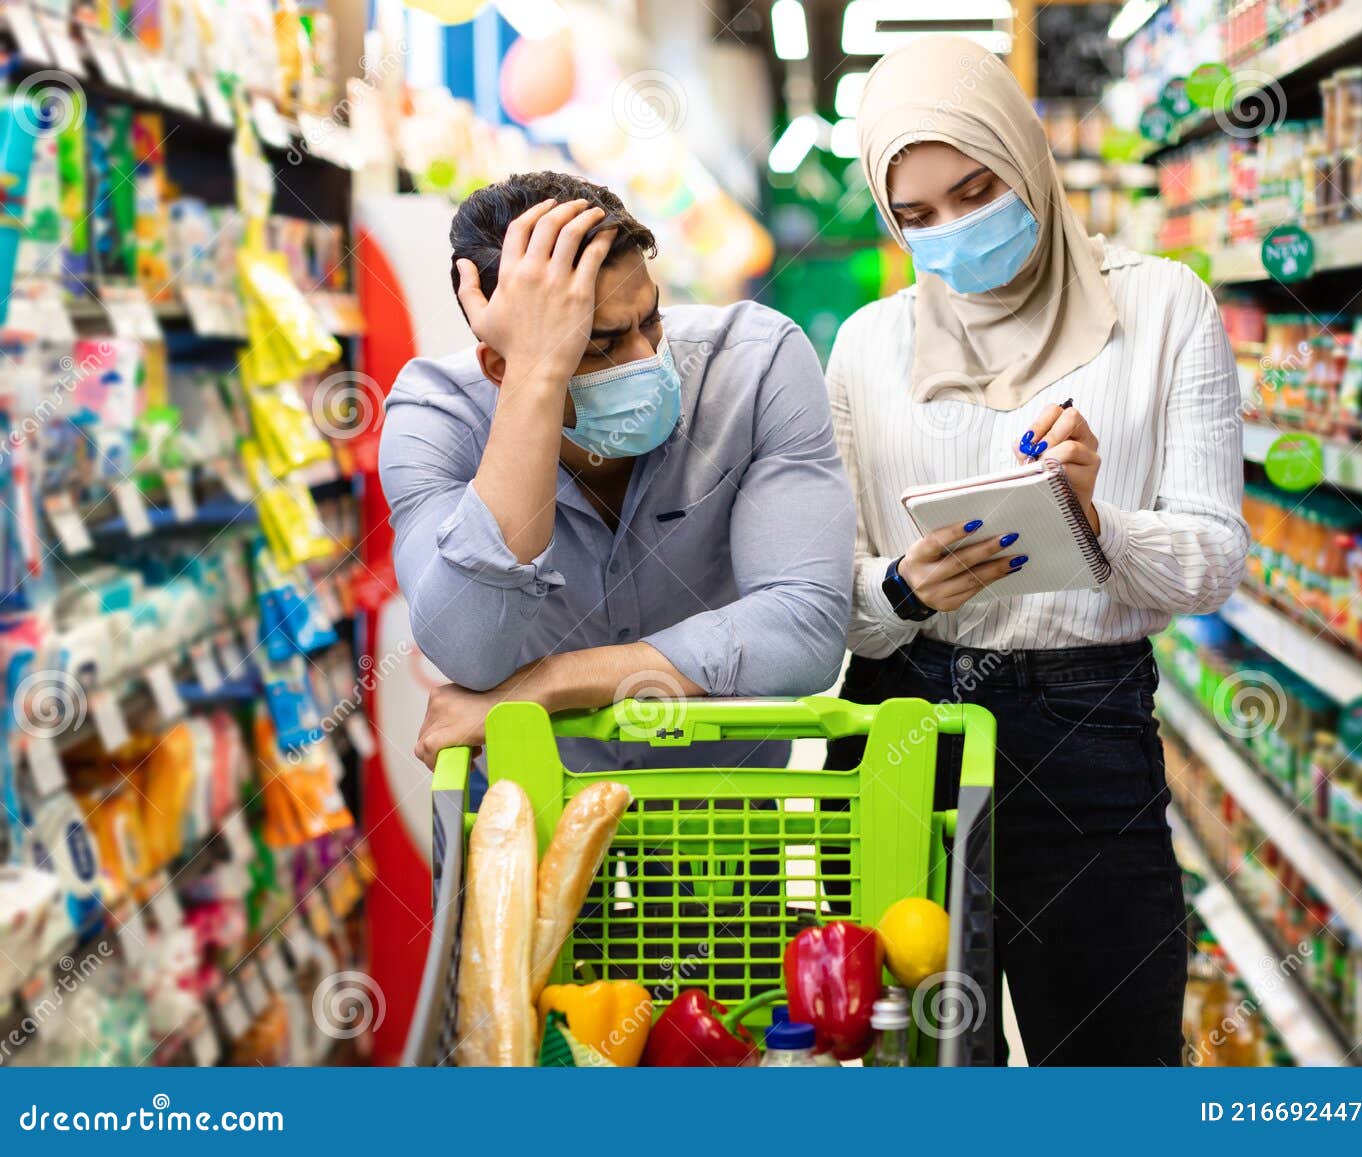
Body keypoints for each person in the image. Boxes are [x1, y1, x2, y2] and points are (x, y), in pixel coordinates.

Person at [824, 38, 1248, 1065]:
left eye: (975, 191)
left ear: (1026, 154)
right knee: (904, 1060)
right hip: (902, 717)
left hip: (1084, 722)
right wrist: (895, 586)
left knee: (1106, 1060)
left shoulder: (1161, 310)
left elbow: (1210, 558)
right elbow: (821, 594)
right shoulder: (868, 347)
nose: (954, 234)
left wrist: (1096, 521)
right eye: (916, 217)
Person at [380, 172, 854, 771]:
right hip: (532, 797)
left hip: (716, 801)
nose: (646, 360)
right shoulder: (438, 413)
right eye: (598, 344)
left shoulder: (754, 365)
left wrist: (550, 681)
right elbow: (470, 650)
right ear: (497, 364)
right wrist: (534, 382)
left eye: (651, 321)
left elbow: (804, 631)